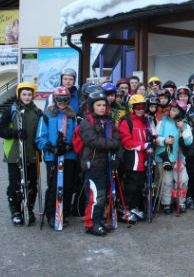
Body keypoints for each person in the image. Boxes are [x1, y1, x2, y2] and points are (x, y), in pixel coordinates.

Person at [79, 90, 122, 236]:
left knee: (103, 195)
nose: (102, 108)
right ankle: (91, 223)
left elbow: (118, 140)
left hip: (106, 164)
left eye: (104, 105)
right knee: (95, 195)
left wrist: (115, 151)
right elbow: (92, 141)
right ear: (92, 106)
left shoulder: (108, 121)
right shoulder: (86, 122)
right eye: (98, 105)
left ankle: (98, 220)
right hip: (93, 164)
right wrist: (111, 144)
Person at [0, 82, 43, 226]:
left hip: (32, 153)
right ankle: (16, 211)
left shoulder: (37, 112)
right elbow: (2, 130)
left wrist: (40, 142)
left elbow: (42, 130)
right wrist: (15, 133)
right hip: (15, 153)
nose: (27, 97)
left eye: (29, 94)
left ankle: (28, 209)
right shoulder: (11, 111)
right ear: (19, 95)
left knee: (31, 183)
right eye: (24, 94)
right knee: (15, 184)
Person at [36, 86, 78, 229]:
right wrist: (50, 147)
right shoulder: (47, 115)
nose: (62, 103)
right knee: (54, 186)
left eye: (65, 100)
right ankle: (51, 214)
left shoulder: (72, 116)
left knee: (67, 186)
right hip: (53, 156)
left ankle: (63, 212)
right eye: (59, 100)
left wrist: (69, 146)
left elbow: (77, 136)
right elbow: (40, 136)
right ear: (54, 99)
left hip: (68, 156)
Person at [118, 94, 155, 222]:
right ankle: (125, 209)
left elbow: (150, 136)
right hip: (132, 159)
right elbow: (126, 142)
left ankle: (133, 207)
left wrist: (152, 141)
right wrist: (142, 146)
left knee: (139, 184)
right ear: (131, 108)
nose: (140, 110)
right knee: (131, 185)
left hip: (143, 158)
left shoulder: (145, 120)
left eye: (142, 107)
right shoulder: (126, 121)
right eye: (137, 107)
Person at [155, 100, 193, 214]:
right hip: (164, 156)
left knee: (182, 180)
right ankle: (167, 203)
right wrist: (164, 141)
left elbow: (189, 142)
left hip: (178, 157)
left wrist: (182, 128)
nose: (172, 112)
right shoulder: (163, 121)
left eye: (175, 110)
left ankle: (180, 201)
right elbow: (155, 137)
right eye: (171, 110)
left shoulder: (185, 124)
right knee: (167, 181)